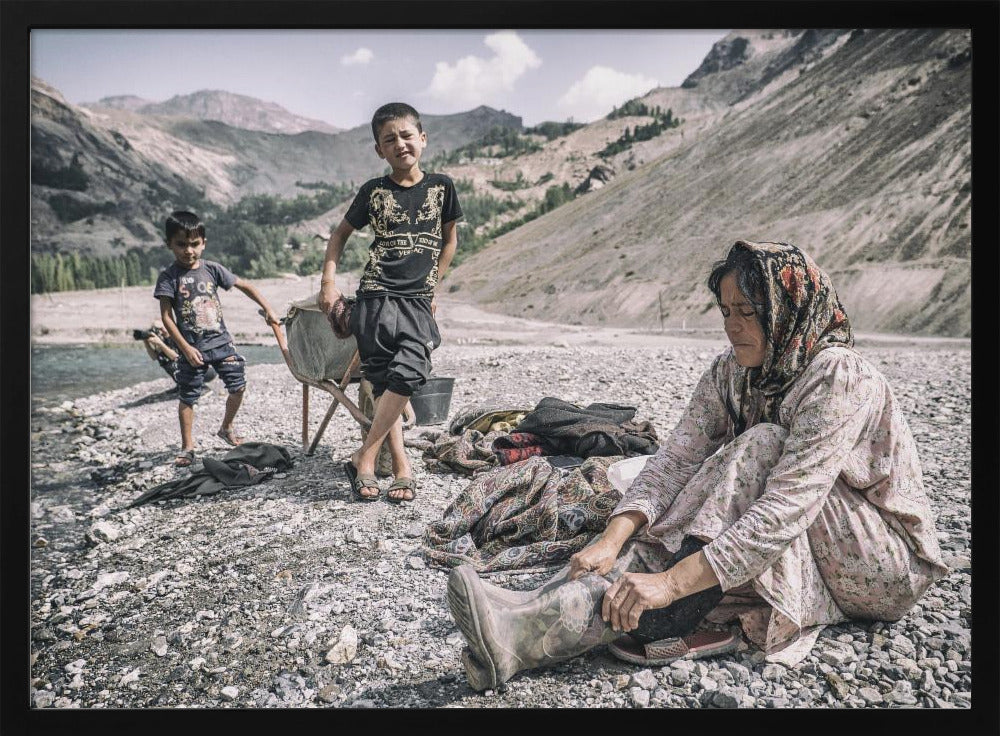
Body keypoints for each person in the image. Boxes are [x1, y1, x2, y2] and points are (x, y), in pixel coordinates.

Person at [446, 240, 948, 691]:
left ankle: (668, 614)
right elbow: (675, 460)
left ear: (788, 312)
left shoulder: (838, 375)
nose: (732, 325)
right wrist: (612, 538)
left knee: (756, 449)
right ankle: (526, 626)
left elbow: (787, 508)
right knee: (685, 503)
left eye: (748, 312)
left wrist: (670, 583)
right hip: (808, 534)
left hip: (881, 566)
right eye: (726, 310)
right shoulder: (734, 371)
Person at [318, 102, 462, 503]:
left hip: (416, 299)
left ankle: (364, 455)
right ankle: (400, 466)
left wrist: (433, 286)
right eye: (388, 139)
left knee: (412, 367)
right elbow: (339, 236)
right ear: (379, 150)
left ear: (423, 139)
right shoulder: (374, 192)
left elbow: (449, 240)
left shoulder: (442, 187)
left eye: (406, 135)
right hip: (376, 296)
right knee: (384, 382)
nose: (400, 144)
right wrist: (329, 283)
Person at [154, 210, 281, 467]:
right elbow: (167, 318)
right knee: (187, 396)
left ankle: (226, 427)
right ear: (169, 244)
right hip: (193, 350)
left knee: (238, 386)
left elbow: (246, 285)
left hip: (221, 343)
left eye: (194, 244)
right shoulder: (168, 278)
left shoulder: (212, 269)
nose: (188, 250)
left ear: (203, 243)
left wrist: (268, 308)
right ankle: (188, 447)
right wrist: (186, 348)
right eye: (181, 244)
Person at [137, 319, 217, 387]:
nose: (160, 332)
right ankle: (181, 385)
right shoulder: (159, 343)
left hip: (206, 372)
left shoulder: (177, 339)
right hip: (183, 376)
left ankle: (199, 386)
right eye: (155, 329)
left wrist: (161, 344)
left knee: (181, 364)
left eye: (161, 328)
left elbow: (176, 357)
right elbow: (154, 357)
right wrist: (146, 341)